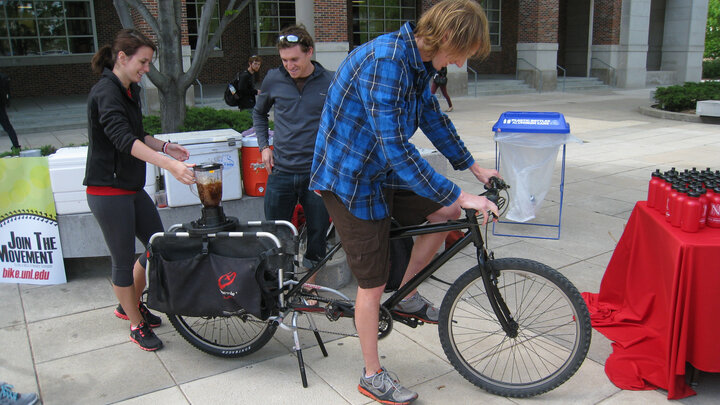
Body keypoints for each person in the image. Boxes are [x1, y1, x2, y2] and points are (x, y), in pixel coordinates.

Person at [309, 0, 498, 403]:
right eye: (462, 53)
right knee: (372, 283)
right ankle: (371, 375)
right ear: (446, 37)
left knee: (446, 213)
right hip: (350, 177)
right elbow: (395, 147)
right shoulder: (387, 62)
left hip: (379, 166)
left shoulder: (420, 63)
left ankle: (408, 293)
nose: (462, 63)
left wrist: (473, 167)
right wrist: (461, 192)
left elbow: (432, 117)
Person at [84, 29, 195, 351]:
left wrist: (166, 146)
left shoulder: (126, 89)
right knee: (122, 260)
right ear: (122, 57)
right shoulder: (106, 91)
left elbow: (137, 133)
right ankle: (134, 322)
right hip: (107, 191)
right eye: (143, 62)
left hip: (130, 187)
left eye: (148, 63)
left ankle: (128, 303)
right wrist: (168, 165)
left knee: (155, 246)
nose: (146, 69)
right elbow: (121, 139)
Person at [253, 26, 332, 302]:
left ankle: (309, 286)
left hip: (317, 174)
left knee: (318, 234)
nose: (290, 66)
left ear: (310, 52)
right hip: (281, 172)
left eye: (295, 60)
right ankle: (284, 286)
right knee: (276, 233)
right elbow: (259, 113)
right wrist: (264, 146)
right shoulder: (274, 79)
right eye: (284, 61)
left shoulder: (329, 81)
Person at [0, 72, 21, 150]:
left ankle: (16, 146)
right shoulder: (3, 77)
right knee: (8, 127)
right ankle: (16, 146)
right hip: (1, 106)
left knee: (8, 127)